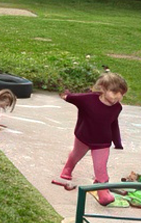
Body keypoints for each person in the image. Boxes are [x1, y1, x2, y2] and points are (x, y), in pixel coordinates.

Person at [52, 72, 128, 206]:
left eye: (122, 93)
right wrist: (66, 96)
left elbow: (113, 123)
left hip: (102, 142)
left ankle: (103, 192)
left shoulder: (117, 108)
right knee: (76, 154)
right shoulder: (88, 99)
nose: (118, 96)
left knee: (101, 167)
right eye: (114, 92)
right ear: (103, 89)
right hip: (84, 136)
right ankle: (68, 169)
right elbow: (73, 98)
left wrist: (117, 141)